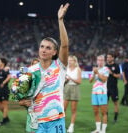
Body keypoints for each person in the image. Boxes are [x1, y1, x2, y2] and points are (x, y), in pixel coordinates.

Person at [23, 3, 70, 133]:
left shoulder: (59, 66)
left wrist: (60, 20)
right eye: (42, 46)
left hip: (56, 119)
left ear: (55, 52)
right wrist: (23, 102)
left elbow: (65, 45)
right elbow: (24, 97)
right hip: (36, 121)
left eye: (48, 48)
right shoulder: (31, 70)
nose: (44, 50)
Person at [89, 55, 109, 133]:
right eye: (98, 60)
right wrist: (94, 74)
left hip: (102, 92)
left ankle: (103, 130)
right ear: (97, 61)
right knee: (96, 111)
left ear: (104, 61)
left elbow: (104, 80)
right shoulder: (95, 69)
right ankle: (98, 129)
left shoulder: (106, 69)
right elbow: (90, 80)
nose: (100, 61)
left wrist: (97, 73)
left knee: (103, 112)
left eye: (101, 60)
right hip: (94, 92)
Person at [19, 58, 39, 133]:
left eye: (37, 65)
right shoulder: (28, 79)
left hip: (42, 108)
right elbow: (20, 100)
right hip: (31, 108)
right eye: (33, 64)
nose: (35, 66)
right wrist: (23, 102)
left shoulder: (44, 77)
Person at [64, 55, 81, 133]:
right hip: (67, 88)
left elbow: (79, 81)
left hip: (75, 88)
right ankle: (62, 125)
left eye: (71, 60)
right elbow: (64, 81)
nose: (69, 61)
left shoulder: (78, 69)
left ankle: (71, 126)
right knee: (63, 108)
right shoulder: (66, 69)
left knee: (73, 109)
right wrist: (66, 80)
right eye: (68, 60)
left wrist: (70, 78)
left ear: (75, 61)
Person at [106, 53, 120, 123]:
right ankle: (106, 117)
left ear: (113, 58)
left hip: (114, 87)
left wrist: (111, 73)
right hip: (105, 87)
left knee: (115, 103)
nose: (108, 58)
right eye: (107, 57)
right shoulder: (105, 66)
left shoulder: (116, 66)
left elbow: (119, 76)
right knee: (105, 103)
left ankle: (115, 118)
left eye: (109, 57)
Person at [0, 58, 11, 125]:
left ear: (2, 63)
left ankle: (4, 120)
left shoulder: (5, 69)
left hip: (4, 90)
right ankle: (6, 117)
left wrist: (3, 83)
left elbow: (9, 76)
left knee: (4, 105)